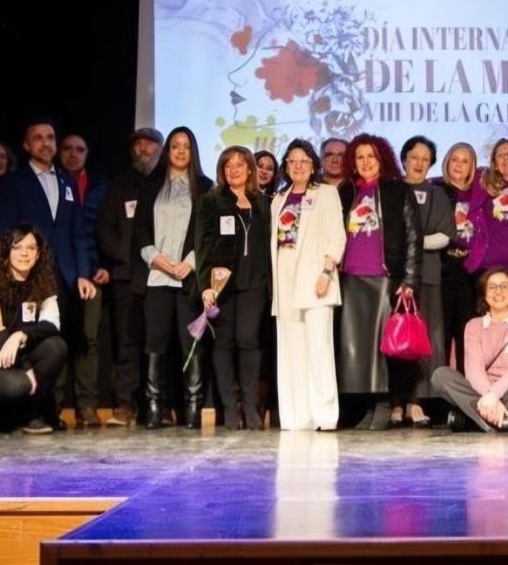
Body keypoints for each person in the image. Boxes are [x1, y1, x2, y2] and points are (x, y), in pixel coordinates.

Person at [0, 120, 98, 425]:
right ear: (26, 145)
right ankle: (34, 412)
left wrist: (83, 273)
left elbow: (78, 233)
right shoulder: (14, 182)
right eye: (38, 138)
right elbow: (6, 231)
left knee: (61, 341)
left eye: (50, 138)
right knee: (34, 342)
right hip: (27, 275)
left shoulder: (67, 183)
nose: (45, 143)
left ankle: (53, 411)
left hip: (64, 276)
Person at [336, 133, 421, 430]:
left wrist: (409, 279)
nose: (366, 162)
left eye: (371, 156)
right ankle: (363, 407)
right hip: (351, 279)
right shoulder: (346, 192)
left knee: (383, 349)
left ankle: (385, 404)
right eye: (359, 157)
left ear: (382, 158)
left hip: (385, 278)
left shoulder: (398, 190)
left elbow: (413, 237)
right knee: (355, 350)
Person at [133, 126, 213, 428]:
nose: (180, 151)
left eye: (186, 146)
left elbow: (208, 233)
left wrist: (190, 263)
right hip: (157, 276)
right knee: (155, 342)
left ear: (194, 152)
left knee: (190, 341)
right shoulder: (150, 185)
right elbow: (140, 229)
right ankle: (154, 407)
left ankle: (193, 409)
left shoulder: (205, 187)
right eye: (175, 145)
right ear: (167, 150)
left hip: (189, 278)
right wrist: (156, 257)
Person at [269, 140, 347, 431]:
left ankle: (325, 415)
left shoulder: (326, 193)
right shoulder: (278, 199)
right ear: (286, 166)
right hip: (285, 280)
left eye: (303, 160)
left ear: (313, 165)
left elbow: (337, 236)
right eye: (292, 161)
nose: (298, 166)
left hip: (316, 279)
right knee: (291, 353)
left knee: (318, 349)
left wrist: (327, 272)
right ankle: (297, 417)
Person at [195, 147, 273, 429]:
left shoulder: (264, 202)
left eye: (240, 165)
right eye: (228, 166)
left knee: (248, 338)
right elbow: (202, 246)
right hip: (223, 284)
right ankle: (230, 408)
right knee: (223, 342)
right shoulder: (212, 201)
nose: (234, 170)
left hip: (256, 283)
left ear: (250, 169)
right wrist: (205, 285)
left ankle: (251, 407)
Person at [0, 225, 68, 433]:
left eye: (31, 248)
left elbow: (51, 324)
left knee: (56, 347)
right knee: (17, 385)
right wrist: (29, 371)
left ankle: (30, 415)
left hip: (19, 346)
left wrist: (22, 335)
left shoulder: (44, 280)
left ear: (38, 254)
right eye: (17, 247)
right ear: (7, 251)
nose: (24, 253)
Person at [94, 127, 163, 425]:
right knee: (127, 342)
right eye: (139, 145)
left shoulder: (167, 185)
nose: (144, 150)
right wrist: (126, 255)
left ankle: (160, 404)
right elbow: (104, 230)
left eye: (150, 145)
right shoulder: (118, 186)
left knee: (159, 341)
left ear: (160, 149)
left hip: (162, 274)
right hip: (126, 276)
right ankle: (125, 403)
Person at [432, 268, 508, 432]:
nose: (498, 291)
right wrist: (488, 396)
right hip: (479, 392)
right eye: (492, 287)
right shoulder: (473, 326)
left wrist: (494, 396)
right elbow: (474, 369)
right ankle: (506, 422)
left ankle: (473, 420)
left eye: (503, 286)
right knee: (440, 376)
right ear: (484, 294)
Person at [397, 136, 456, 427]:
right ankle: (395, 400)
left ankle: (416, 401)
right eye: (414, 157)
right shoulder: (392, 190)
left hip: (428, 276)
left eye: (425, 159)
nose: (419, 163)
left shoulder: (438, 195)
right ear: (403, 159)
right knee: (395, 338)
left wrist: (411, 242)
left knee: (422, 339)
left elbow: (445, 235)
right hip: (396, 276)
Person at [58, 130, 110, 427]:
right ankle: (55, 406)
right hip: (57, 275)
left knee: (88, 340)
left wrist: (105, 266)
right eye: (67, 148)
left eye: (80, 149)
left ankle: (87, 406)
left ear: (87, 154)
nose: (73, 154)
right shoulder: (53, 183)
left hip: (91, 275)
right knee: (55, 340)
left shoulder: (100, 188)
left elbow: (107, 229)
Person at [436, 142, 483, 383]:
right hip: (442, 271)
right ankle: (439, 392)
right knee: (441, 335)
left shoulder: (481, 193)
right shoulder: (436, 190)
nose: (459, 165)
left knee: (468, 337)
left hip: (470, 274)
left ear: (472, 166)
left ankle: (467, 392)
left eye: (465, 161)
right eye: (455, 159)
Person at [464, 139, 508, 290]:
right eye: (500, 155)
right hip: (486, 268)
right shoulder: (484, 184)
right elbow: (455, 178)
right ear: (495, 164)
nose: (506, 158)